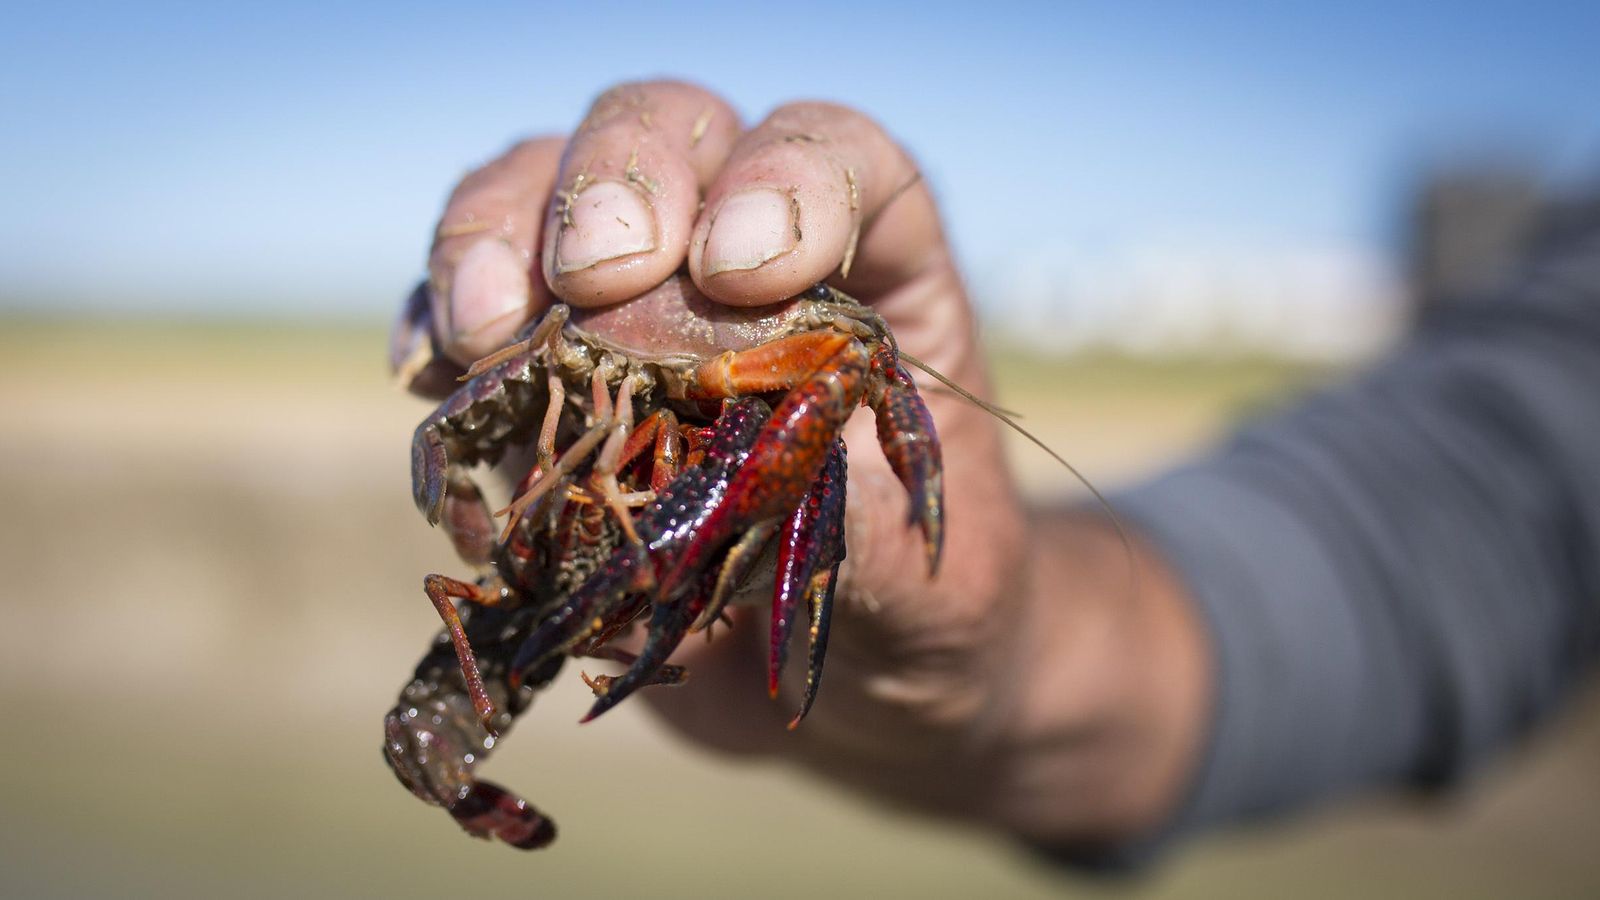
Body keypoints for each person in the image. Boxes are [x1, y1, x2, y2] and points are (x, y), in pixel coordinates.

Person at [388, 80, 1600, 865]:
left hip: (655, 490)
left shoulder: (820, 352)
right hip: (573, 437)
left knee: (845, 368)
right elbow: (1473, 511)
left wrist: (942, 550)